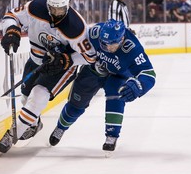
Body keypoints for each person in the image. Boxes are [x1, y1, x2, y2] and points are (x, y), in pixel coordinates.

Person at [0, 0, 97, 153]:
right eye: (52, 9)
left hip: (62, 69)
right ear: (48, 5)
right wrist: (12, 31)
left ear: (67, 5)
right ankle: (34, 125)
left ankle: (11, 135)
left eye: (60, 9)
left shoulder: (76, 27)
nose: (56, 13)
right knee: (26, 98)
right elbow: (11, 15)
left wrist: (67, 60)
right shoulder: (36, 8)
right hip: (36, 60)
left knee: (38, 95)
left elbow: (90, 57)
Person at [49, 19, 156, 152]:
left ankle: (111, 136)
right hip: (93, 69)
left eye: (111, 45)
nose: (107, 48)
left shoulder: (133, 49)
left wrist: (139, 85)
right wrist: (63, 51)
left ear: (122, 39)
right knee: (76, 103)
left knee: (116, 97)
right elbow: (77, 43)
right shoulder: (95, 32)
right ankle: (61, 127)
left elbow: (149, 74)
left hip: (118, 76)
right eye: (103, 44)